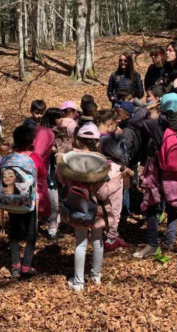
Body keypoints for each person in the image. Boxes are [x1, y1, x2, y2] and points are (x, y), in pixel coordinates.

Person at [56, 124, 122, 292]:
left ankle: (78, 282)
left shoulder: (68, 158)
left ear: (77, 140)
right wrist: (117, 179)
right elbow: (102, 193)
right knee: (98, 240)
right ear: (97, 142)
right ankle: (96, 276)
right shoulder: (100, 162)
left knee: (80, 242)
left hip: (76, 206)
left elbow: (62, 180)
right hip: (97, 210)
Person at [132, 93, 177, 258]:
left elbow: (134, 121)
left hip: (158, 172)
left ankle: (152, 244)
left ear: (161, 106)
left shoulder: (155, 124)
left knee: (152, 208)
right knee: (173, 207)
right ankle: (169, 241)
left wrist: (147, 107)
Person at [0, 125, 40, 278]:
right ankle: (26, 266)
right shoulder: (33, 158)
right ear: (31, 142)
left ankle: (15, 265)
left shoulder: (8, 158)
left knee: (14, 233)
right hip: (28, 201)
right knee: (31, 234)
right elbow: (41, 173)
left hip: (10, 200)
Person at [95, 110, 129, 251]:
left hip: (99, 170)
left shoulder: (92, 135)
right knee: (115, 205)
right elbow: (122, 155)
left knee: (102, 203)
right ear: (109, 124)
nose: (116, 129)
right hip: (113, 172)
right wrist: (121, 139)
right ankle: (111, 237)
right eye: (115, 127)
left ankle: (99, 231)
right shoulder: (106, 140)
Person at [39, 108, 65, 240]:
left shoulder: (40, 130)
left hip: (42, 172)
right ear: (53, 119)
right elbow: (41, 152)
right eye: (60, 117)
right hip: (47, 173)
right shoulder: (48, 133)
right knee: (54, 203)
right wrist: (55, 151)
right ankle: (52, 231)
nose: (62, 120)